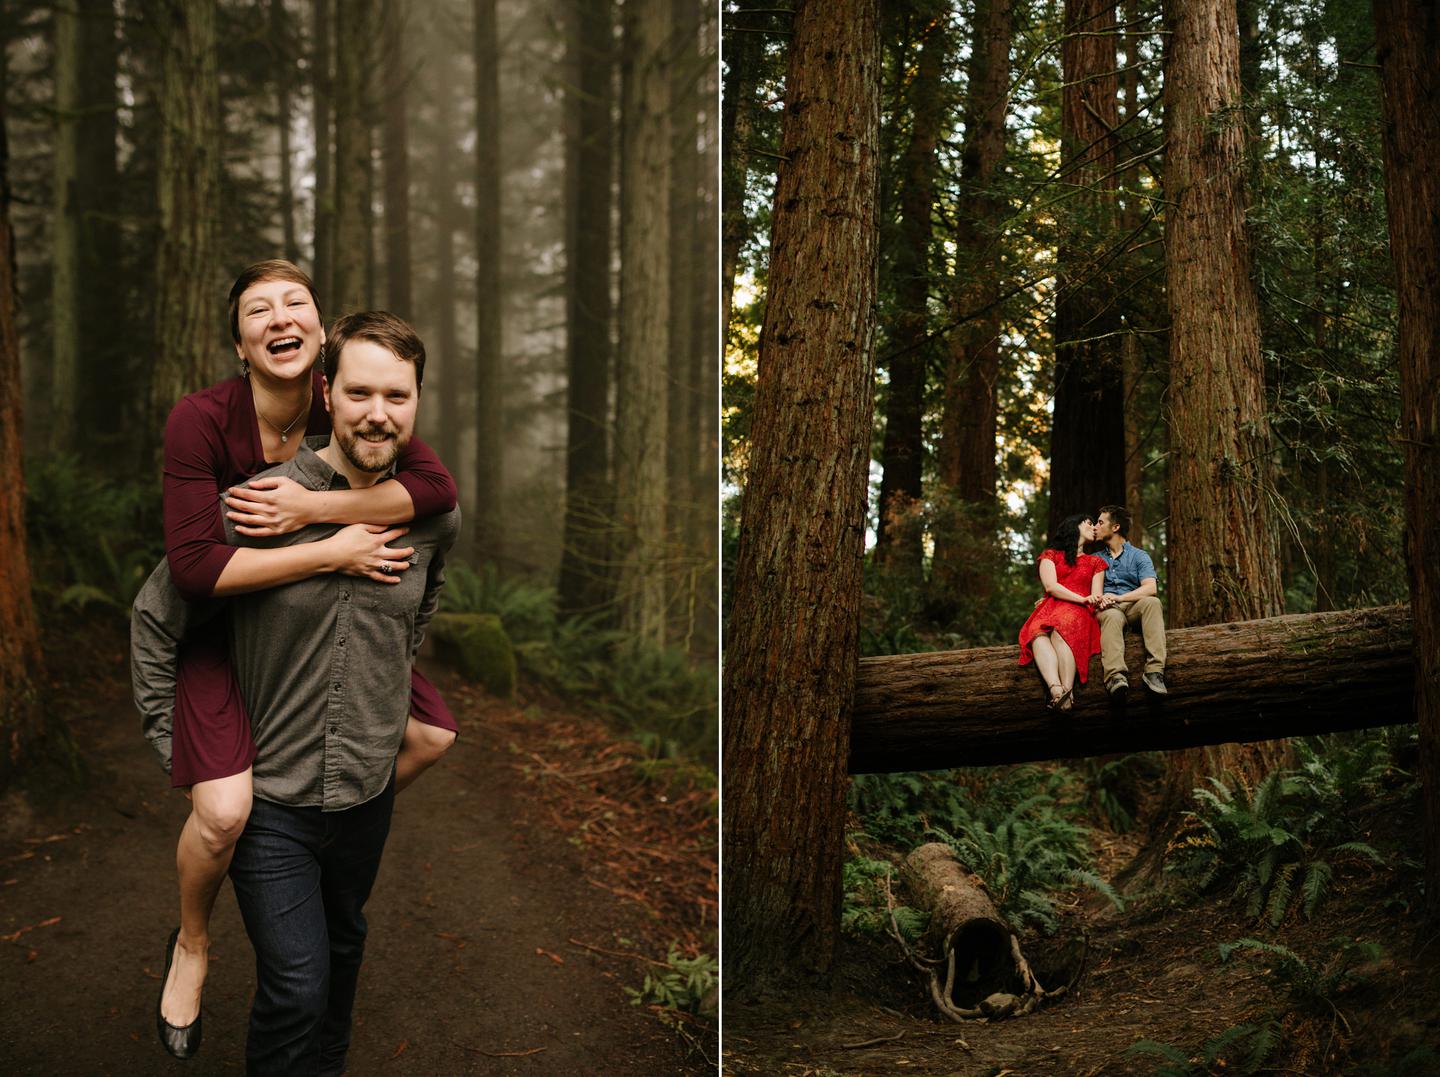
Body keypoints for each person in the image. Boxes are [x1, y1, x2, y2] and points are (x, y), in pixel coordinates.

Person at [131, 261, 459, 1060]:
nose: (377, 412)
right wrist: (178, 741)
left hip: (362, 795)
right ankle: (194, 940)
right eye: (360, 394)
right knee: (298, 979)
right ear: (329, 389)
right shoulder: (254, 497)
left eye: (397, 396)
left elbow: (419, 607)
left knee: (343, 947)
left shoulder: (427, 515)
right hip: (271, 788)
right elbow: (166, 603)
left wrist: (374, 696)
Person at [1017, 514, 1107, 712]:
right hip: (1052, 607)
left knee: (1061, 628)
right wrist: (1081, 597)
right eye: (1089, 523)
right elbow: (1051, 586)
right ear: (1074, 526)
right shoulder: (1050, 555)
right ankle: (1056, 690)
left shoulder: (1096, 563)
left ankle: (1067, 690)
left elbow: (1096, 595)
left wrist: (1089, 600)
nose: (1093, 528)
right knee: (1037, 634)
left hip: (1079, 611)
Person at [1092, 504, 1168, 698]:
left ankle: (1154, 671)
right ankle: (1115, 676)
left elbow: (1151, 588)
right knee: (1112, 616)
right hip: (1109, 609)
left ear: (1115, 527)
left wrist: (1119, 597)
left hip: (1132, 605)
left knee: (1153, 602)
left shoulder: (1139, 556)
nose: (1095, 526)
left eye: (1100, 522)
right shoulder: (1095, 559)